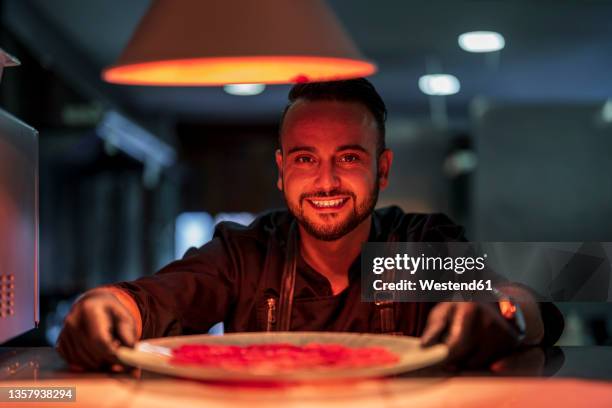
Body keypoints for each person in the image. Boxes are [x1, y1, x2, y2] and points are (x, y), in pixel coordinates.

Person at [56, 78, 563, 371]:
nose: (325, 182)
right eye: (304, 159)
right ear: (281, 172)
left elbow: (516, 300)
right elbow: (161, 297)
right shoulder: (248, 254)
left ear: (381, 169)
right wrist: (106, 306)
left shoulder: (409, 250)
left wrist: (504, 316)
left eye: (347, 157)